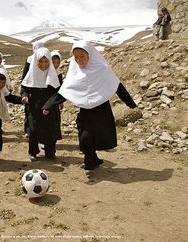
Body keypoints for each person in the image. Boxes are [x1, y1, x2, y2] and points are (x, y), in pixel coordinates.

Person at [42, 40, 137, 171]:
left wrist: (130, 103)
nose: (79, 60)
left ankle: (91, 161)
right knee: (85, 138)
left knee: (98, 136)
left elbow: (116, 85)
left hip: (101, 109)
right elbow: (65, 91)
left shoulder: (102, 69)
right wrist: (48, 105)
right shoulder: (75, 72)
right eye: (76, 57)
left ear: (89, 55)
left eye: (82, 56)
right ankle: (91, 160)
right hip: (85, 111)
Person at [21, 47, 60, 161]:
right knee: (33, 130)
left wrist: (49, 106)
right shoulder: (31, 73)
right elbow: (25, 87)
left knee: (49, 130)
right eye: (40, 61)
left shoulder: (55, 75)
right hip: (34, 106)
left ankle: (50, 152)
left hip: (50, 107)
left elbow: (58, 93)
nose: (43, 64)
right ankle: (33, 152)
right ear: (36, 61)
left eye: (46, 61)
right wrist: (25, 96)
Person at [21, 42, 45, 137]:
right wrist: (24, 93)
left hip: (43, 93)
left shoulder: (46, 60)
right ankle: (29, 131)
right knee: (30, 113)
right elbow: (25, 77)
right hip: (31, 90)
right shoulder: (30, 59)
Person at [51, 50, 64, 140]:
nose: (55, 64)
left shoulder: (59, 74)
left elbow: (60, 88)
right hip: (46, 100)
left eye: (58, 62)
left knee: (55, 120)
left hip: (55, 101)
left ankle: (53, 139)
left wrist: (61, 101)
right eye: (53, 62)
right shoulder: (45, 73)